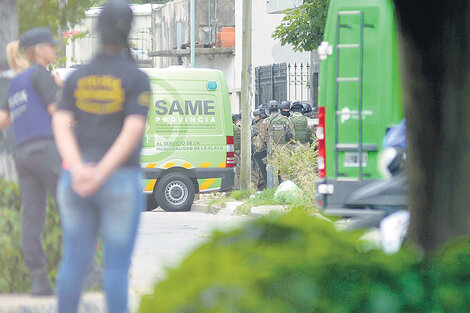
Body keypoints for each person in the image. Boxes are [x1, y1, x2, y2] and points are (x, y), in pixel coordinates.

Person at [52, 1, 150, 313]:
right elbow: (133, 129)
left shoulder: (77, 77)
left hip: (75, 181)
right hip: (119, 178)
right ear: (129, 31)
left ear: (98, 30)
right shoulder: (136, 77)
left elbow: (60, 121)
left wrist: (79, 169)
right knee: (117, 267)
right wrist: (102, 173)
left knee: (74, 261)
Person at [0, 29, 61, 296]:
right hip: (46, 148)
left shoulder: (15, 82)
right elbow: (57, 114)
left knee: (31, 218)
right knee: (71, 208)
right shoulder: (41, 74)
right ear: (38, 50)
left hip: (22, 154)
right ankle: (88, 270)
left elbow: (3, 119)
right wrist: (61, 91)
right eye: (52, 46)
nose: (55, 50)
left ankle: (38, 280)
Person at [251, 109, 266, 189]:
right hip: (258, 151)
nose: (254, 118)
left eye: (255, 116)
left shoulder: (263, 124)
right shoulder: (255, 126)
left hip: (263, 151)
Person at [232, 113, 241, 189]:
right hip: (236, 152)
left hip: (231, 151)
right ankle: (236, 187)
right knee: (237, 169)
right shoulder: (237, 128)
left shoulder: (230, 127)